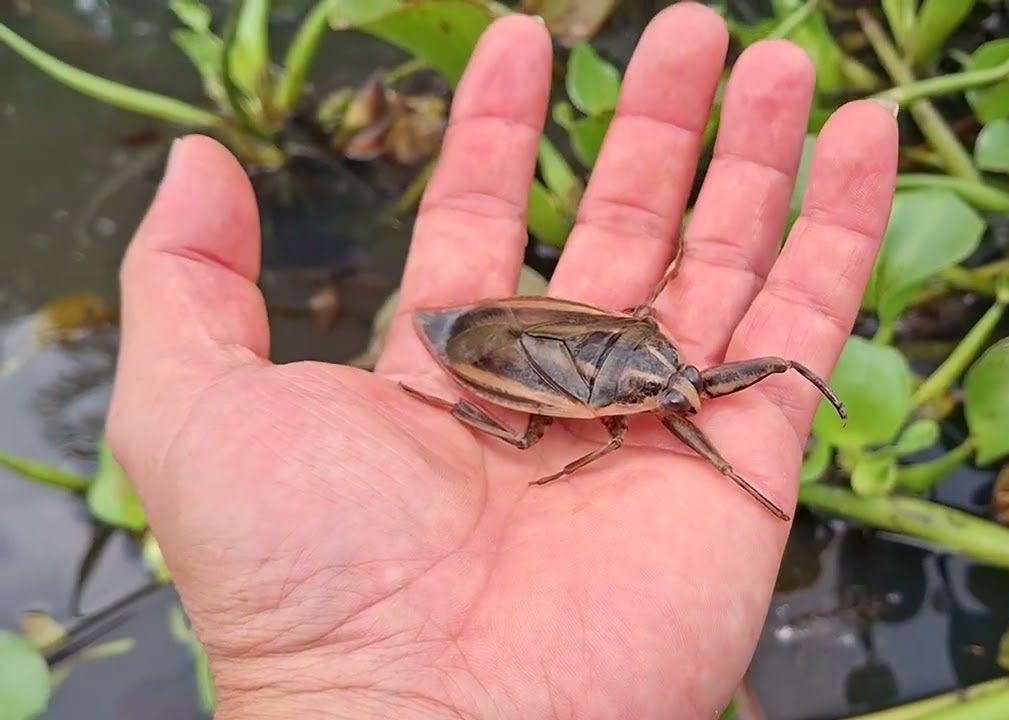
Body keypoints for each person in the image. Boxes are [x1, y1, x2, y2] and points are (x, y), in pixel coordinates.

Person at [103, 3, 899, 718]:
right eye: (686, 387)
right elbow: (641, 392)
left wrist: (790, 379)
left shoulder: (646, 354)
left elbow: (678, 347)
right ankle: (436, 398)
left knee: (547, 436)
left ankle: (448, 394)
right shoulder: (617, 421)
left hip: (539, 341)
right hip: (505, 358)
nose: (691, 394)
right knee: (527, 439)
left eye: (685, 387)